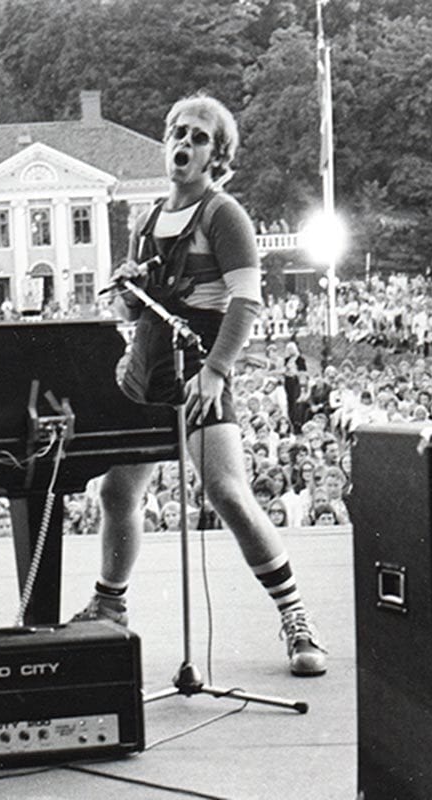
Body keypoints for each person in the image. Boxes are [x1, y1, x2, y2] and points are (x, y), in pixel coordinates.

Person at [73, 94, 326, 677]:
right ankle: (110, 603)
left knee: (228, 493)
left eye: (198, 137)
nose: (183, 143)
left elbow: (247, 301)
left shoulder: (223, 214)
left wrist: (215, 371)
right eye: (176, 133)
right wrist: (129, 291)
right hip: (147, 372)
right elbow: (140, 319)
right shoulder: (146, 221)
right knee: (117, 493)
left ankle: (296, 618)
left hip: (198, 373)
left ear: (218, 154)